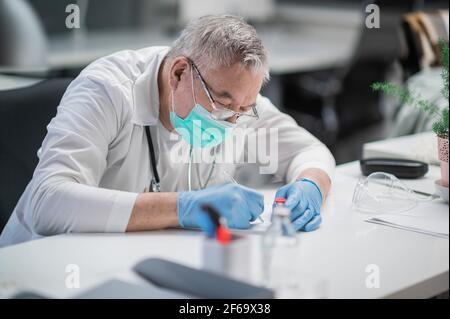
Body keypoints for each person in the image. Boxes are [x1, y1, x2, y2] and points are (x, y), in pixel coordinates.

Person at [0, 15, 335, 247]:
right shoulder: (106, 89)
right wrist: (183, 207)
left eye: (242, 111)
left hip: (134, 262)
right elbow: (47, 202)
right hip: (43, 271)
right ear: (178, 73)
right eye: (221, 103)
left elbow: (310, 151)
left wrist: (310, 185)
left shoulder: (237, 98)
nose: (231, 122)